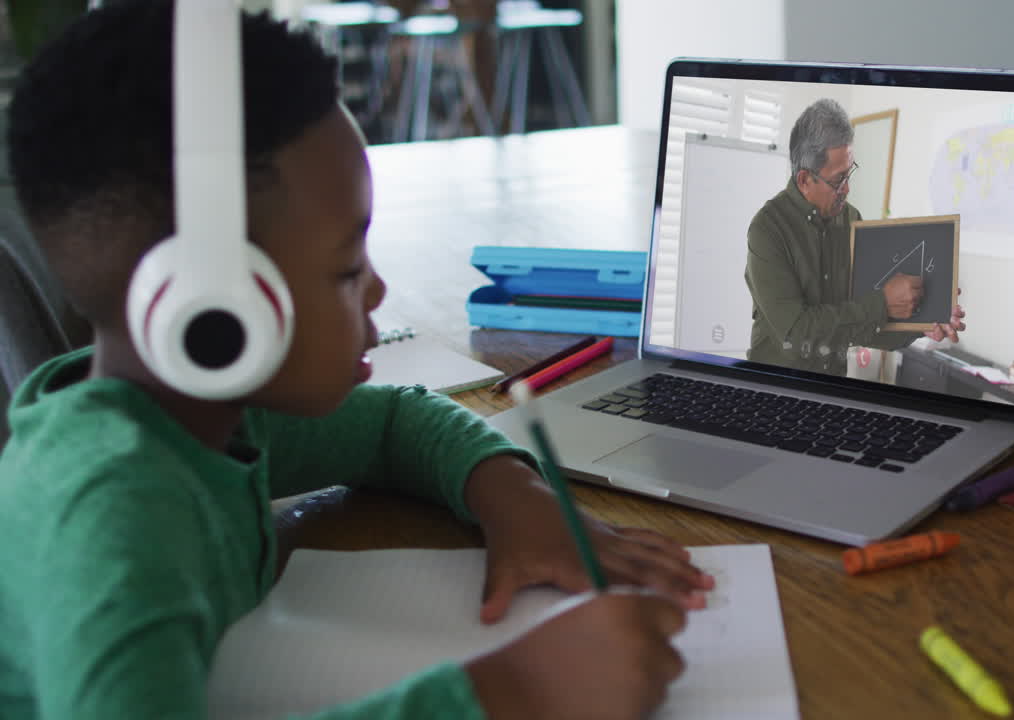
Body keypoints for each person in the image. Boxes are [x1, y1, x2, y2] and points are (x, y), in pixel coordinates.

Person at [0, 3, 711, 719]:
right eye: (345, 269)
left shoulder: (204, 417)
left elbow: (392, 422)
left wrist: (517, 501)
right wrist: (510, 694)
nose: (376, 288)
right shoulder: (114, 524)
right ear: (214, 312)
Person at [744, 98, 966, 377]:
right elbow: (797, 333)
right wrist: (883, 303)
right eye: (838, 180)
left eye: (850, 173)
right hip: (775, 390)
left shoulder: (852, 220)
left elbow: (862, 327)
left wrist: (920, 322)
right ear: (804, 180)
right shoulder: (767, 229)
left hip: (833, 390)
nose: (847, 189)